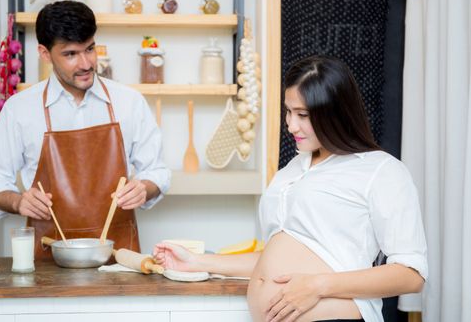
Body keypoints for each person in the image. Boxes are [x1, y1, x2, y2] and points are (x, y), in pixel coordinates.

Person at [153, 55, 427, 322]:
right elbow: (273, 262)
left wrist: (317, 286)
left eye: (303, 115)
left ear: (337, 114)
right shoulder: (291, 171)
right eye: (288, 111)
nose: (290, 124)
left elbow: (410, 274)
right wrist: (199, 262)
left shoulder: (380, 170)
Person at [0, 1, 170, 258]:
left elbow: (157, 171)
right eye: (70, 54)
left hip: (120, 255)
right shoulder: (19, 109)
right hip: (47, 256)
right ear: (45, 54)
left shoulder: (129, 102)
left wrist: (144, 187)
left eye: (89, 49)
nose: (86, 63)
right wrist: (18, 201)